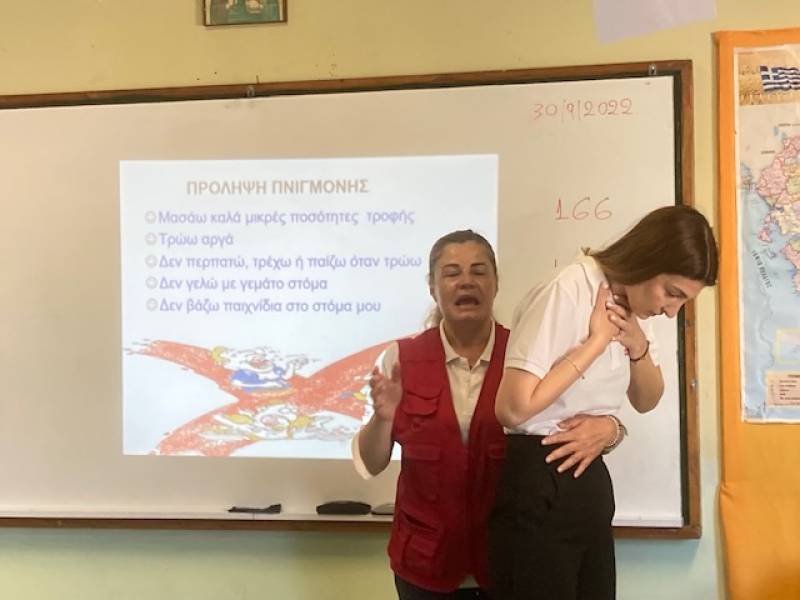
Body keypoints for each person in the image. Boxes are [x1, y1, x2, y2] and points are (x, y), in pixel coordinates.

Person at [352, 230, 622, 600]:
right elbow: (371, 463)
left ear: (496, 283)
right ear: (432, 287)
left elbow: (578, 423)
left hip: (511, 557)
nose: (466, 282)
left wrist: (612, 428)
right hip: (425, 565)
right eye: (452, 273)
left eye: (479, 271)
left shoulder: (530, 354)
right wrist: (383, 418)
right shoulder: (401, 359)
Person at [489, 205, 719, 600]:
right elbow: (512, 407)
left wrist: (637, 347)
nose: (671, 311)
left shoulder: (634, 307)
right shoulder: (568, 289)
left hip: (589, 481)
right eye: (672, 293)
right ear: (647, 260)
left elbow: (647, 399)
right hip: (540, 479)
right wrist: (596, 342)